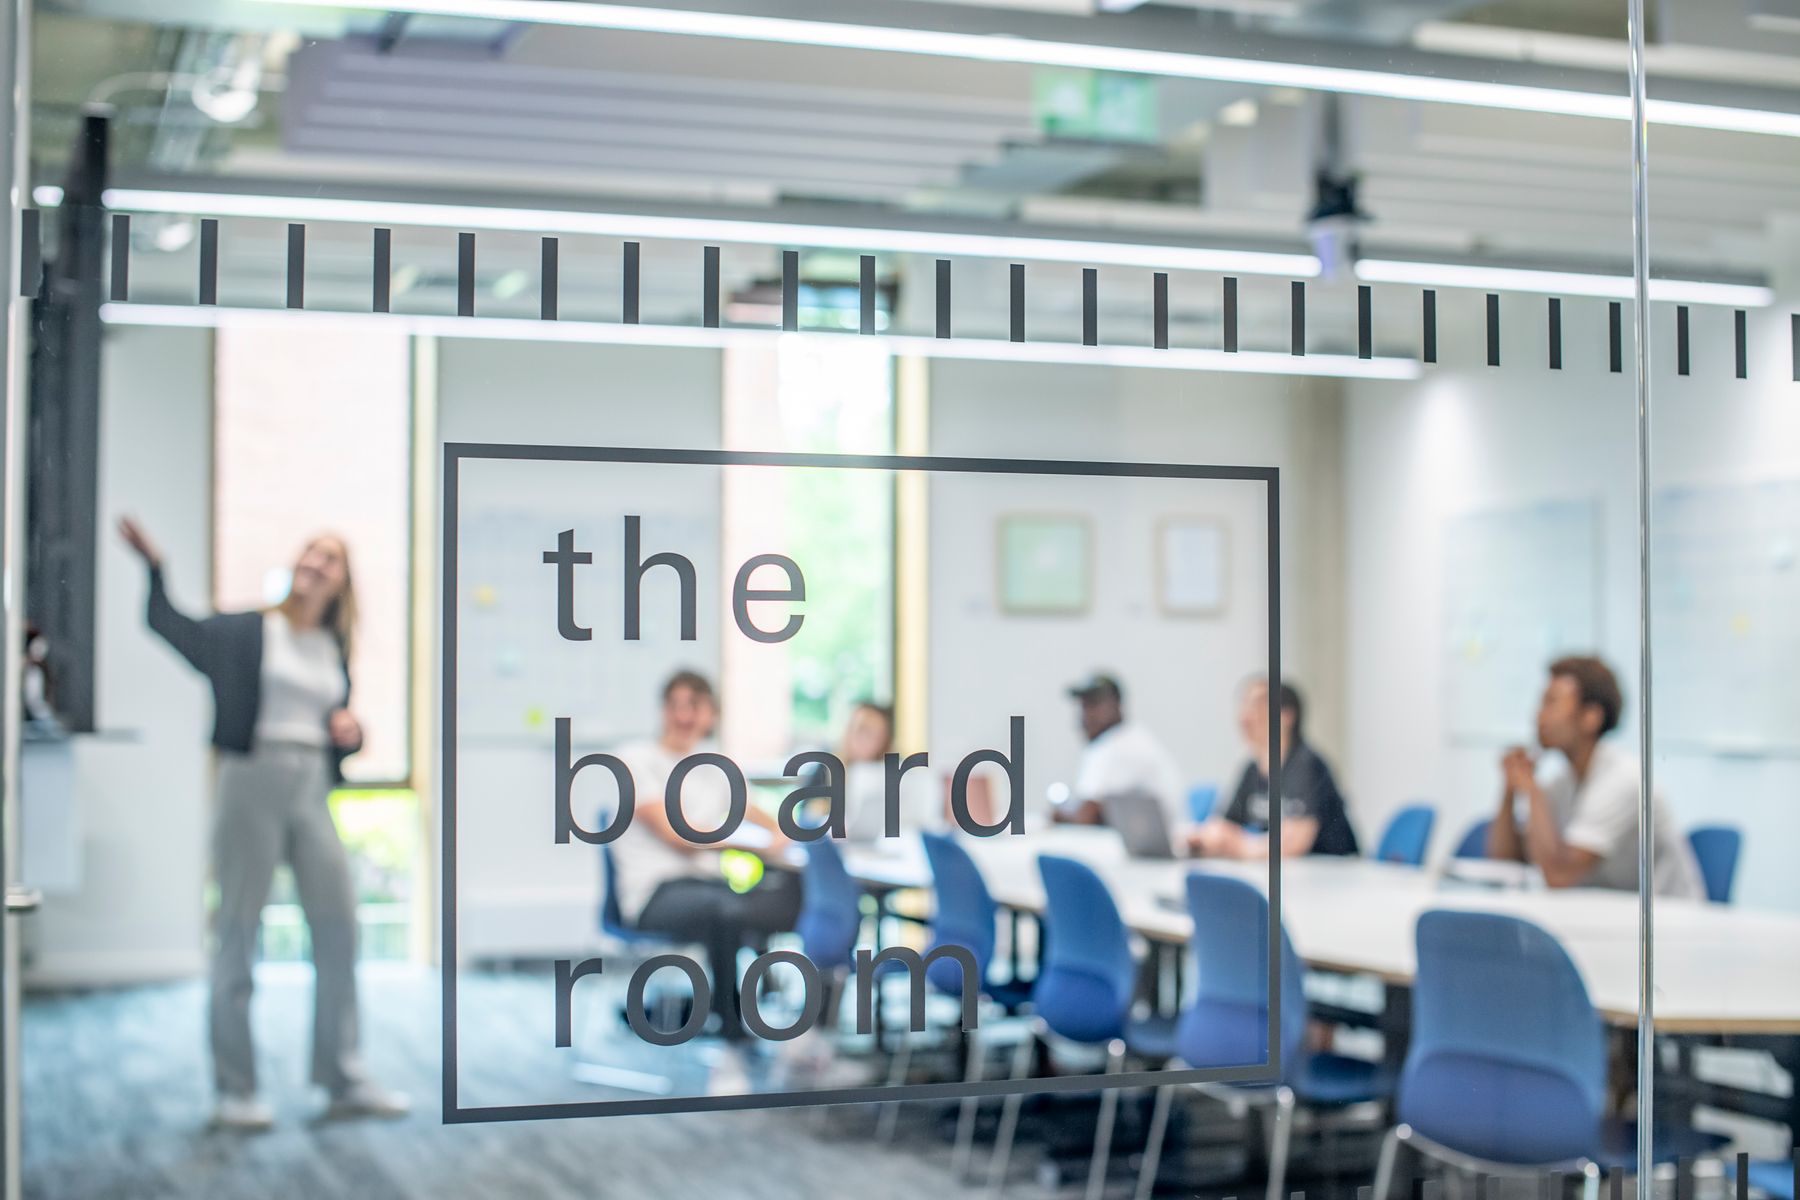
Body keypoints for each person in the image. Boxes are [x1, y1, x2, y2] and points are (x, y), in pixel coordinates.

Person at [118, 517, 407, 1131]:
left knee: (337, 929)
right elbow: (173, 627)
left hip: (312, 786)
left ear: (342, 582)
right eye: (311, 552)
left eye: (331, 558)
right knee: (238, 933)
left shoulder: (333, 647)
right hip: (251, 779)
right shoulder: (250, 631)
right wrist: (156, 568)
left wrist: (353, 734)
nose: (316, 563)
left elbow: (337, 729)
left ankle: (342, 1074)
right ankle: (236, 1089)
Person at [612, 670, 801, 1043]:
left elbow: (753, 810)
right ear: (663, 711)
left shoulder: (713, 762)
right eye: (676, 706)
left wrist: (785, 832)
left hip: (706, 886)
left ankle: (758, 1003)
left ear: (711, 715)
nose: (684, 716)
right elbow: (677, 835)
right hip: (654, 894)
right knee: (726, 908)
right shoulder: (635, 760)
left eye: (694, 707)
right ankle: (731, 1023)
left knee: (781, 891)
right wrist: (753, 846)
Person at [1488, 656, 1702, 898]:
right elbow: (1506, 860)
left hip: (1664, 925)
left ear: (1591, 717)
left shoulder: (1623, 781)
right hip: (1606, 917)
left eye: (1551, 703)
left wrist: (1532, 791)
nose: (1539, 715)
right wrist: (1510, 790)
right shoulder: (1565, 782)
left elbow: (1558, 876)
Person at [1189, 676, 1359, 858]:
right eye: (1244, 705)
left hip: (1331, 871)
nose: (1246, 715)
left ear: (1286, 715)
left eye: (1257, 706)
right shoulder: (1252, 770)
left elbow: (1294, 842)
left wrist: (1239, 846)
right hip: (1288, 873)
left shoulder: (1307, 765)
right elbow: (1223, 826)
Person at [1052, 673, 1184, 834]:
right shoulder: (1133, 736)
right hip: (1154, 843)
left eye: (1095, 704)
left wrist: (1058, 816)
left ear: (1117, 705)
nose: (1087, 715)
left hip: (1154, 849)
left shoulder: (1116, 747)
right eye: (1084, 706)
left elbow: (1085, 817)